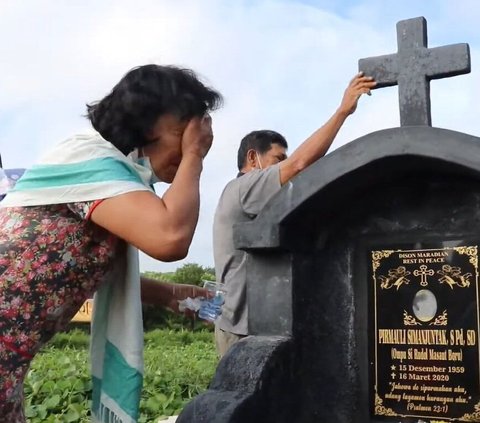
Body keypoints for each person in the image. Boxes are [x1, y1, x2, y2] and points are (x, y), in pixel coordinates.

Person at [0, 64, 222, 422]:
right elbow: (170, 239)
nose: (191, 143)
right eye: (184, 131)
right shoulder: (86, 157)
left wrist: (167, 295)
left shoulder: (113, 184)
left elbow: (62, 268)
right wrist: (194, 155)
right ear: (142, 123)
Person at [213, 72, 376, 357]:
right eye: (278, 159)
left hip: (252, 326)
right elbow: (300, 164)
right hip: (241, 329)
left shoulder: (256, 198)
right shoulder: (243, 188)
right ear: (253, 158)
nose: (283, 167)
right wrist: (342, 112)